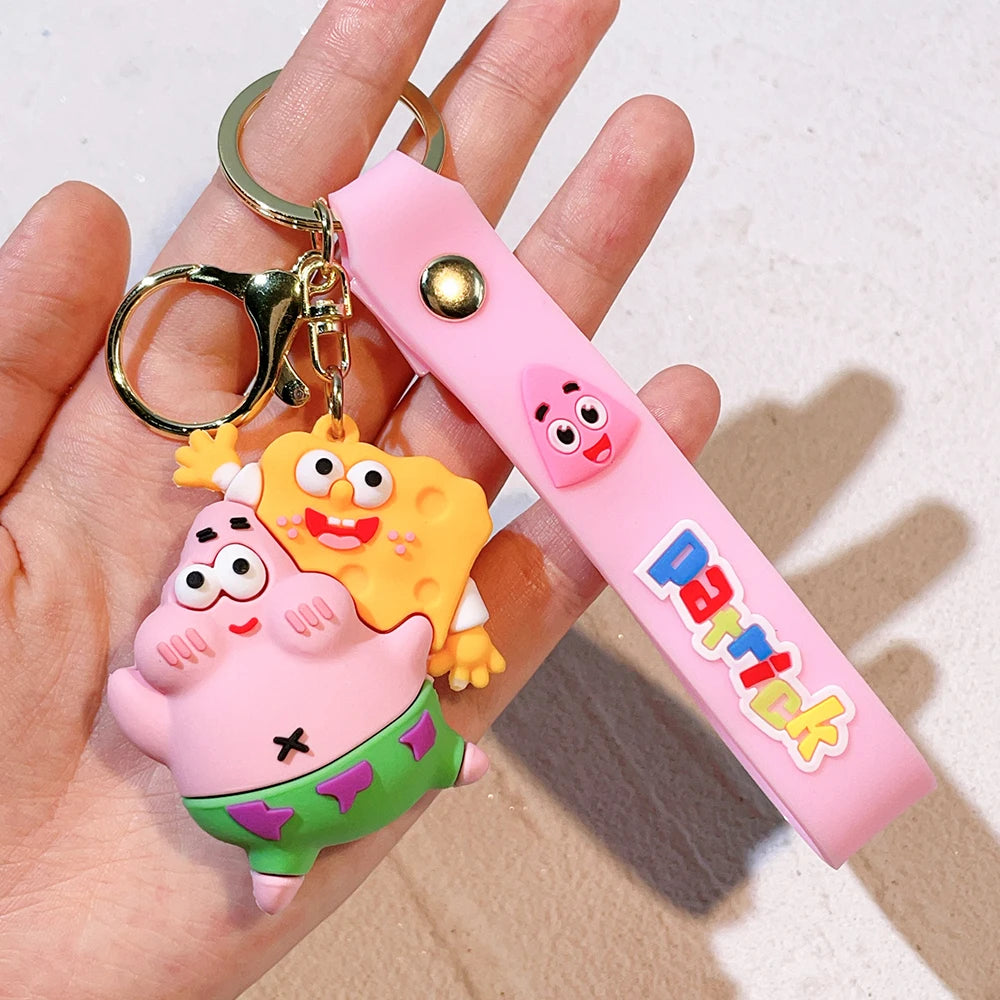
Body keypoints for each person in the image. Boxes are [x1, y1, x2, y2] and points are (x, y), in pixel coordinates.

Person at [0, 0, 719, 996]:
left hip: (341, 744)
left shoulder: (299, 575)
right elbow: (159, 687)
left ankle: (390, 786)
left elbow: (347, 619)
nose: (220, 580)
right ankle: (374, 794)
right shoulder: (262, 577)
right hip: (315, 765)